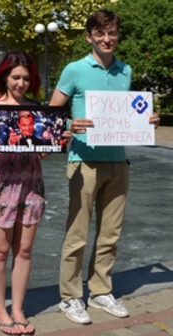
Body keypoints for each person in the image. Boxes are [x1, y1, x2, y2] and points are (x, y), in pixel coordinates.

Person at [49, 9, 159, 325]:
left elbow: (129, 114)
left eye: (111, 33)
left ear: (117, 35)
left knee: (110, 234)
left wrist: (146, 120)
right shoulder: (74, 70)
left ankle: (100, 291)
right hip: (83, 161)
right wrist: (70, 122)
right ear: (89, 37)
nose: (107, 39)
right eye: (101, 34)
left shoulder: (126, 71)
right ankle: (70, 298)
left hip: (117, 162)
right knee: (78, 234)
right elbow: (52, 116)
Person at [0, 50, 60, 335]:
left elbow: (41, 155)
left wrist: (57, 141)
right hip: (0, 184)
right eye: (15, 77)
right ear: (5, 77)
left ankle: (18, 309)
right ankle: (0, 310)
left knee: (24, 250)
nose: (21, 83)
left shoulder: (37, 109)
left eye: (26, 78)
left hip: (30, 183)